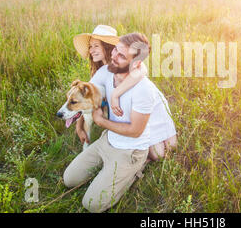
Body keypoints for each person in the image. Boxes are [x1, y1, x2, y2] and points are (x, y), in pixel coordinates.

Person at [63, 30, 177, 212]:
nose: (114, 57)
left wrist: (101, 122)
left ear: (135, 63)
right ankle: (108, 170)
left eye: (121, 55)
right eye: (115, 50)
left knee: (91, 205)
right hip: (107, 141)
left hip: (130, 150)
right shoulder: (106, 71)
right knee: (69, 179)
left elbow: (135, 131)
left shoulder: (143, 89)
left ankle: (135, 169)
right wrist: (79, 124)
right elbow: (85, 94)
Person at [72, 25, 177, 160]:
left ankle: (147, 147)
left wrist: (116, 94)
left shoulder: (122, 62)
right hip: (131, 112)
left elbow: (142, 69)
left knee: (170, 147)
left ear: (107, 46)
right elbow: (87, 99)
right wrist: (79, 127)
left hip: (150, 106)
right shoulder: (101, 72)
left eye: (96, 46)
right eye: (90, 47)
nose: (91, 50)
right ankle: (143, 150)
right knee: (158, 154)